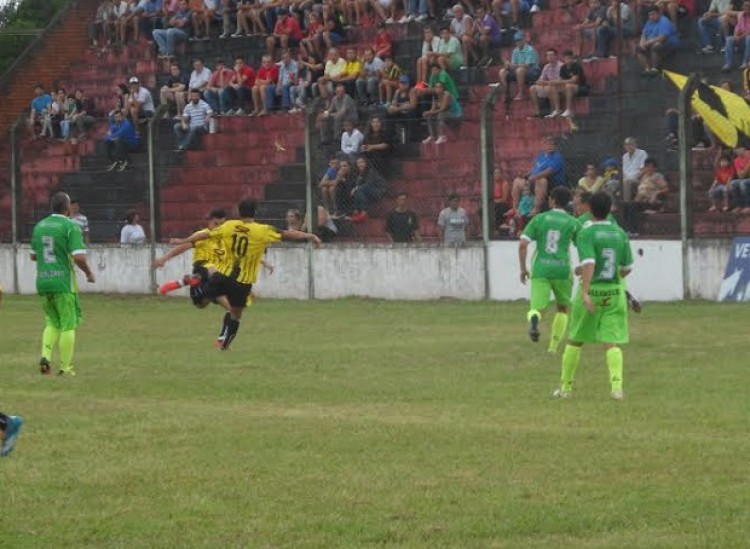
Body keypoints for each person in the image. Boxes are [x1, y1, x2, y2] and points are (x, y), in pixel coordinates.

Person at [174, 199, 321, 350]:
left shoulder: (229, 225)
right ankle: (225, 344)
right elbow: (288, 234)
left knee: (202, 301)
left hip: (222, 275)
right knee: (235, 315)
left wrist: (184, 240)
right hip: (242, 282)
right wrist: (309, 236)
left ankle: (195, 284)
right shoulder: (262, 230)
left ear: (239, 212)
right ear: (255, 212)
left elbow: (205, 234)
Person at [554, 191, 633, 400]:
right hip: (614, 293)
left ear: (589, 209)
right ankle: (617, 388)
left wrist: (585, 291)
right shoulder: (620, 233)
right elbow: (626, 268)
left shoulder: (586, 232)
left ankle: (565, 389)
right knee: (611, 342)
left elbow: (590, 262)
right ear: (610, 209)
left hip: (593, 291)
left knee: (575, 340)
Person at [30, 192, 95, 377]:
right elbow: (79, 257)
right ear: (67, 208)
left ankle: (45, 356)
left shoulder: (39, 226)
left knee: (52, 322)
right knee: (68, 325)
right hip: (63, 282)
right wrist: (89, 273)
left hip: (43, 281)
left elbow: (34, 256)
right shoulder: (70, 226)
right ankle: (65, 368)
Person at [518, 187, 580, 352]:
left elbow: (523, 244)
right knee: (563, 308)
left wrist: (523, 269)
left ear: (552, 200)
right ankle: (553, 347)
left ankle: (534, 322)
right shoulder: (573, 222)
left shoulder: (539, 219)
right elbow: (583, 246)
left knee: (536, 309)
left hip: (541, 269)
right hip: (562, 270)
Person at [154, 208, 227, 306]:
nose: (219, 228)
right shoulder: (201, 235)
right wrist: (163, 259)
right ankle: (195, 279)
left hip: (216, 273)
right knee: (213, 273)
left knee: (201, 303)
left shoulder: (225, 237)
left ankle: (189, 281)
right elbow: (182, 247)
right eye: (216, 224)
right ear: (210, 221)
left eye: (222, 225)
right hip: (203, 268)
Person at [637, 6, 678, 75]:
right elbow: (644, 34)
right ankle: (647, 69)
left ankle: (654, 69)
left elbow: (663, 37)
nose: (651, 17)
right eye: (650, 15)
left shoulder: (664, 21)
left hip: (668, 43)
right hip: (652, 41)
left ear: (659, 14)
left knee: (656, 46)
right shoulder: (649, 22)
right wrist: (642, 42)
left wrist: (649, 42)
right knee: (639, 48)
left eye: (653, 14)